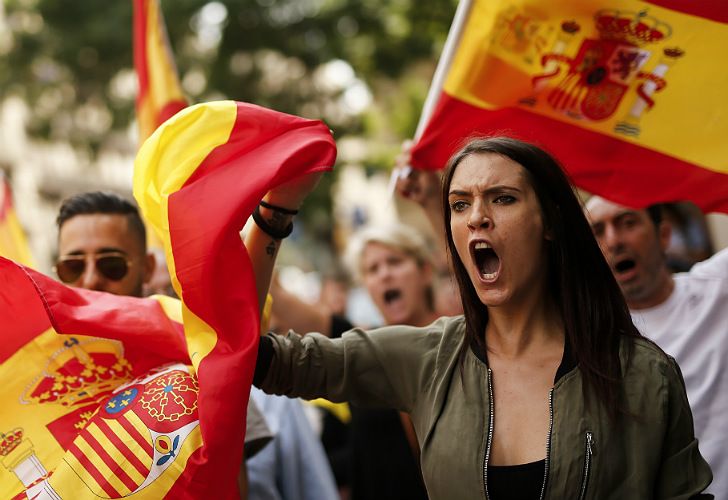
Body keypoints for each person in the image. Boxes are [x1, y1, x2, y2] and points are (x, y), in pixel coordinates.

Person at [249, 137, 712, 498]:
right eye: (459, 204)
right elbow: (247, 355)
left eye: (503, 198)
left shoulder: (643, 373)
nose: (476, 219)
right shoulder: (427, 357)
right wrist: (274, 210)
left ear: (550, 221)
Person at [55, 191, 274, 497]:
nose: (90, 280)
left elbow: (231, 484)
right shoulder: (40, 365)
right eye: (73, 267)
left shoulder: (195, 347)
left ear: (145, 267)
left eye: (111, 265)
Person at [271, 224, 437, 499]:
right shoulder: (360, 350)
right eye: (372, 269)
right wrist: (266, 227)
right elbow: (279, 300)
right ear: (366, 287)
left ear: (425, 271)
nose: (384, 274)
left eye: (395, 261)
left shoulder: (465, 340)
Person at [586, 195, 728, 500]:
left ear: (663, 235)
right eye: (598, 230)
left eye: (628, 223)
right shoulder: (585, 340)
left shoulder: (719, 286)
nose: (614, 240)